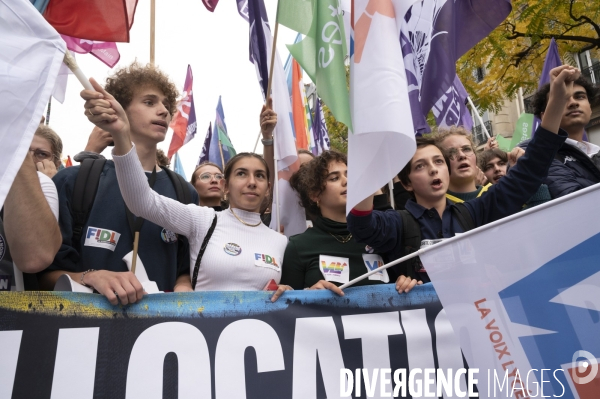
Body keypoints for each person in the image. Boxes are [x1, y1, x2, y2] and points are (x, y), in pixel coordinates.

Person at [347, 65, 576, 292]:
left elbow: (530, 170)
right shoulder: (396, 223)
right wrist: (369, 159)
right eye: (420, 166)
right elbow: (361, 225)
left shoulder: (474, 212)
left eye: (438, 162)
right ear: (406, 183)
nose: (433, 170)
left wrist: (556, 100)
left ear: (448, 171)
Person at [80, 78, 290, 298]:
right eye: (241, 174)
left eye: (259, 176)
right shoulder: (203, 219)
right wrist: (122, 134)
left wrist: (290, 291)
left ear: (268, 187)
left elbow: (289, 296)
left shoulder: (281, 242)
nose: (251, 182)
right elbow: (142, 201)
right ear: (225, 186)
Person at [40, 62, 198, 305]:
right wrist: (92, 277)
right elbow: (41, 276)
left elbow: (184, 268)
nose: (164, 111)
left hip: (161, 334)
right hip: (85, 334)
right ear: (120, 109)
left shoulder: (184, 191)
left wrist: (183, 284)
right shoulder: (76, 181)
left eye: (166, 104)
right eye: (149, 102)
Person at [278, 151, 390, 299]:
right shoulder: (298, 247)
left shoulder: (380, 235)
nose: (346, 181)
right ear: (315, 194)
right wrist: (308, 294)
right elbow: (288, 306)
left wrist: (406, 282)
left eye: (350, 175)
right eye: (334, 178)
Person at [1, 133, 61, 290]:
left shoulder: (49, 184)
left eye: (41, 154)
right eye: (25, 150)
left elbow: (36, 257)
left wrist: (43, 182)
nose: (30, 158)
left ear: (56, 163)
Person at [527, 74, 600, 198]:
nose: (573, 103)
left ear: (590, 108)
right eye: (563, 99)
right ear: (545, 116)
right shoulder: (536, 155)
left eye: (580, 97)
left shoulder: (596, 152)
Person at [432, 128, 492, 203]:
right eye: (451, 152)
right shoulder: (435, 208)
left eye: (466, 149)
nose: (462, 155)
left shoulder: (497, 195)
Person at [479, 148, 551, 208]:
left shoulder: (526, 192)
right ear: (482, 173)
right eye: (489, 167)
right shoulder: (482, 204)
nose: (497, 169)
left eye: (501, 164)